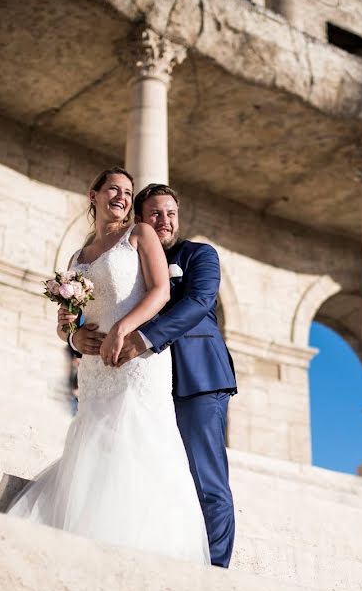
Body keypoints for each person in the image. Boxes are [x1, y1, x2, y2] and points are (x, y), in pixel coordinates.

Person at [7, 168, 210, 565]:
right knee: (93, 446)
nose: (121, 196)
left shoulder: (140, 234)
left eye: (128, 192)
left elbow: (161, 291)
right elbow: (67, 322)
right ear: (93, 195)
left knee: (138, 441)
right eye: (113, 189)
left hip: (137, 361)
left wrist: (123, 328)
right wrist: (72, 338)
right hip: (94, 369)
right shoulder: (76, 257)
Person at [61, 183, 237, 568]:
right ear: (139, 218)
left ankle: (217, 573)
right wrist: (77, 336)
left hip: (196, 378)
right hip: (144, 381)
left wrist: (142, 338)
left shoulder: (197, 254)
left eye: (171, 213)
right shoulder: (127, 251)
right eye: (156, 213)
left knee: (206, 480)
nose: (165, 221)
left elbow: (198, 302)